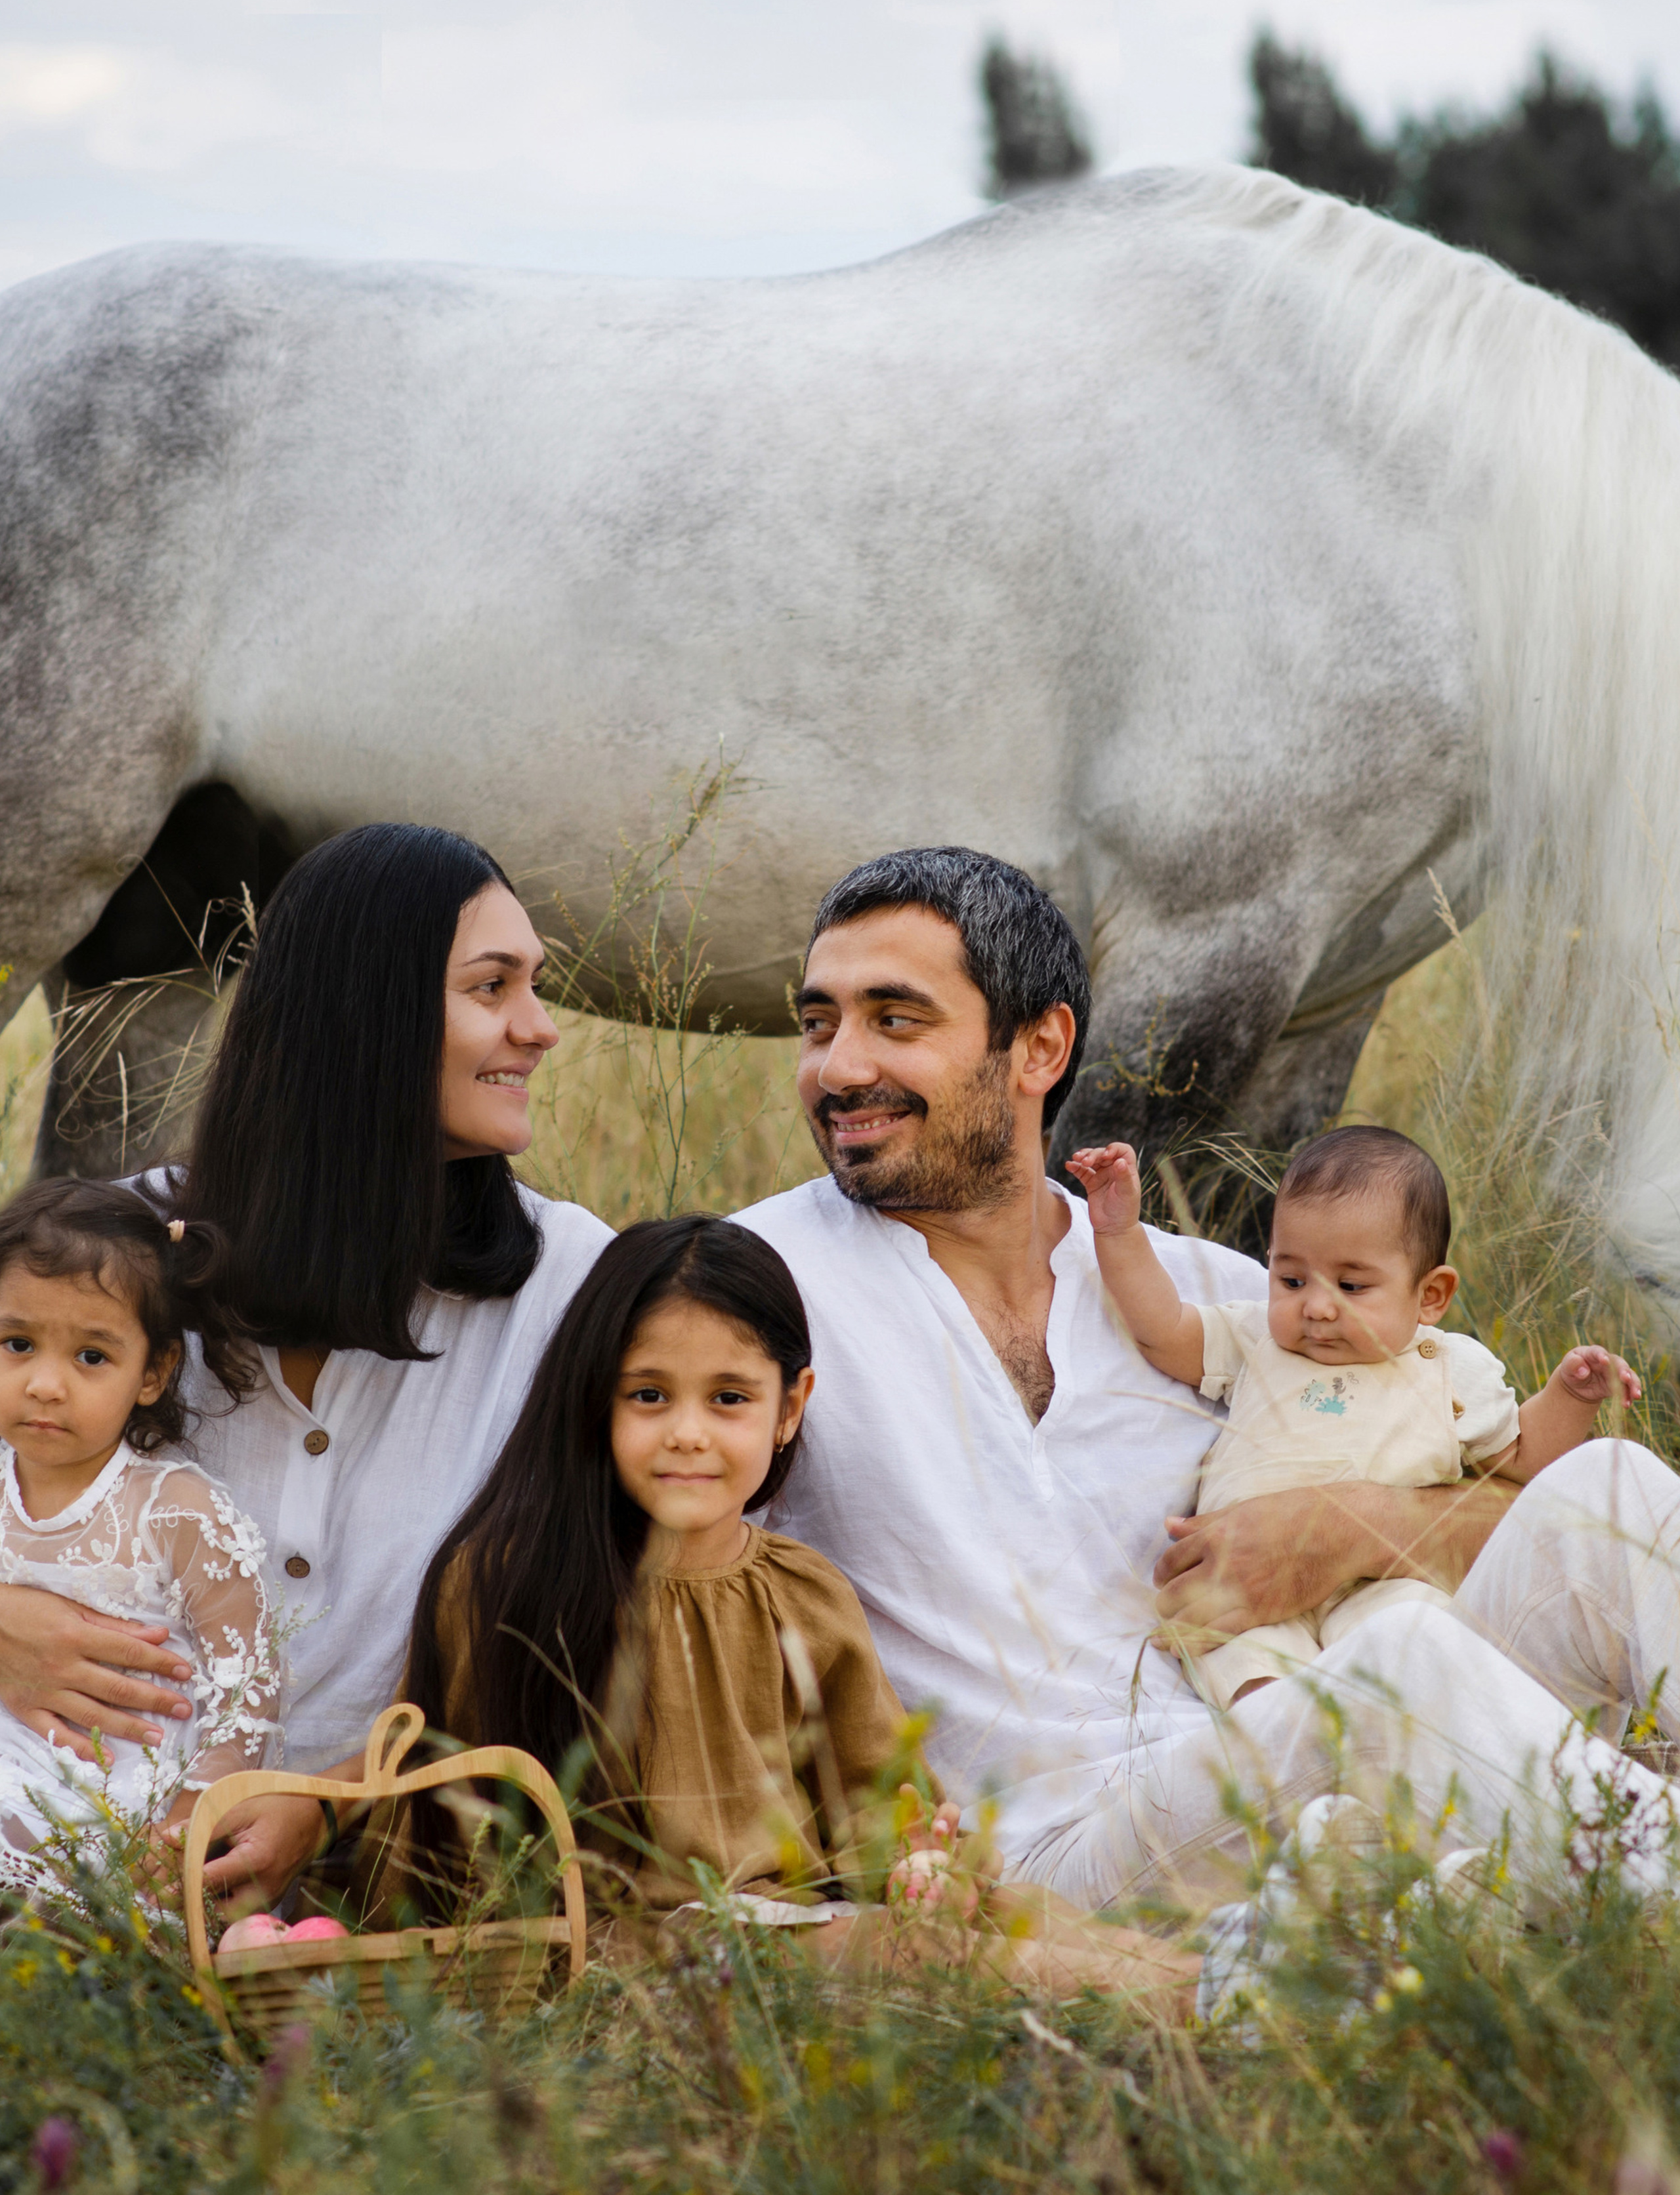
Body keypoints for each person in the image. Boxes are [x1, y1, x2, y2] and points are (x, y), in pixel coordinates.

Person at [735, 845, 1680, 1912]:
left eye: (895, 1020)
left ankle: (1579, 1880)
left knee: (1612, 1491)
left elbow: (1507, 1495)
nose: (839, 1067)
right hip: (1058, 1851)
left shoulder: (1221, 1297)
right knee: (1395, 1670)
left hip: (1290, 1751)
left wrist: (1354, 1526)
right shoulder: (751, 1291)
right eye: (818, 1024)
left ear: (1040, 1047)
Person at [0, 825, 612, 1907]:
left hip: (407, 1888)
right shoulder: (121, 1253)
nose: (541, 1027)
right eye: (493, 987)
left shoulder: (570, 1284)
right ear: (365, 1012)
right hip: (68, 1872)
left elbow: (601, 1616)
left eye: (535, 984)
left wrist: (335, 1800)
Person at [396, 1213, 1201, 2008]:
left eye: (728, 1398)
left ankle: (1219, 1989)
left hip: (807, 1923)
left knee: (1007, 1912)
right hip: (643, 1951)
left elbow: (875, 1808)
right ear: (593, 1398)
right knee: (903, 1952)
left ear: (789, 1408)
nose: (687, 1433)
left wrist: (920, 1865)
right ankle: (1201, 2004)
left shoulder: (802, 1592)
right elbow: (456, 1840)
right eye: (648, 1395)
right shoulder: (511, 1584)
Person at [1066, 1125, 1641, 1708]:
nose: (1316, 1306)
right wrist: (1119, 1232)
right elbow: (1164, 1330)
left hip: (1385, 1581)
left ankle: (1400, 1743)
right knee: (1249, 1673)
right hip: (1245, 1586)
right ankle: (1291, 1744)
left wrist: (1571, 1398)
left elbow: (1524, 1463)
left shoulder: (1450, 1369)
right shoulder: (1256, 1339)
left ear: (1430, 1296)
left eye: (1351, 1285)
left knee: (1415, 1643)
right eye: (1291, 1280)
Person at [0, 1180, 280, 1891]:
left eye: (91, 1356)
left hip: (122, 1803)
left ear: (153, 1372)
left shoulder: (174, 1510)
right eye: (18, 1344)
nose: (45, 1384)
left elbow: (248, 1688)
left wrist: (192, 1820)